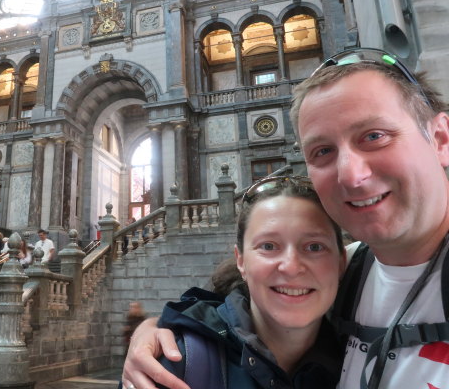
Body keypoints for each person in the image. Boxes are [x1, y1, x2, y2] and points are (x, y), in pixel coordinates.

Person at [122, 48, 449, 389]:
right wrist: (163, 331)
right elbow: (238, 310)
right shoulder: (347, 272)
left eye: (374, 136)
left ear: (440, 139)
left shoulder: (334, 271)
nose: (352, 176)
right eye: (322, 151)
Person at [154, 176, 345, 388]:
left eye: (314, 247)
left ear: (341, 262)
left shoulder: (366, 362)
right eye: (269, 246)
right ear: (241, 261)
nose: (291, 267)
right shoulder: (176, 364)